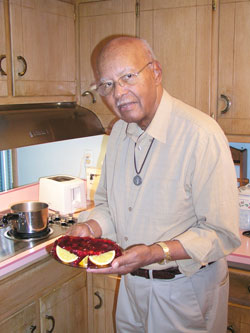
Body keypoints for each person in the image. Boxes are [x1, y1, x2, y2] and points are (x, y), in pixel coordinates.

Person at [67, 36, 241, 333]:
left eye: (128, 77)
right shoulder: (120, 133)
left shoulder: (201, 135)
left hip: (185, 292)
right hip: (132, 288)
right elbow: (109, 205)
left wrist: (156, 252)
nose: (118, 93)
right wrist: (90, 229)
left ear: (155, 72)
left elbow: (221, 234)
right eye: (106, 85)